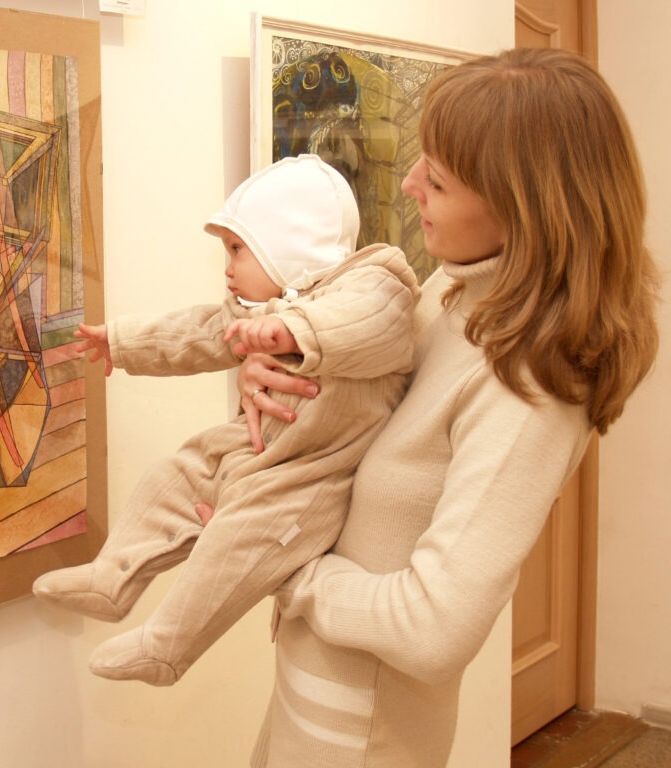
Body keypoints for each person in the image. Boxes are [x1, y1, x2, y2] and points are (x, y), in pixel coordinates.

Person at [227, 49, 660, 767]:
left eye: (439, 179)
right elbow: (367, 412)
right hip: (316, 693)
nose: (409, 183)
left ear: (524, 208)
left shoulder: (530, 386)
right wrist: (282, 368)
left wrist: (284, 569)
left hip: (363, 734)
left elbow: (433, 629)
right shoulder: (454, 292)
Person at [33, 154, 420, 686]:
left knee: (236, 538)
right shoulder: (256, 311)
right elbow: (199, 331)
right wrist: (123, 342)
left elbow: (368, 324)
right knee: (174, 474)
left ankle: (167, 645)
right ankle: (113, 574)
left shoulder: (374, 285)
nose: (228, 267)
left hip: (308, 477)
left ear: (290, 247)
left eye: (238, 249)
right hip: (248, 448)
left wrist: (292, 332)